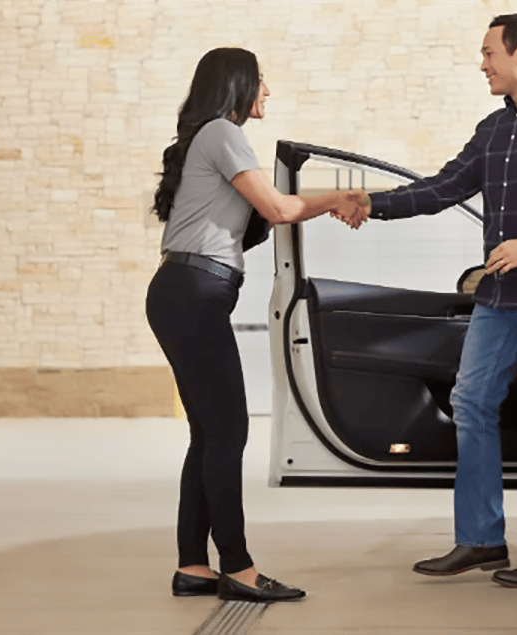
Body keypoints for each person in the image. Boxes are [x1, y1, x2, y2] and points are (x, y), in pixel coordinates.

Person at [343, 14, 517, 588]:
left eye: (489, 52)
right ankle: (480, 540)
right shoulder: (493, 129)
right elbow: (443, 187)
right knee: (470, 403)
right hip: (498, 296)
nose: (482, 64)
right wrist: (373, 203)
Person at [147, 47, 364, 602]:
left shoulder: (209, 137)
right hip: (194, 292)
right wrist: (339, 199)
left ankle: (194, 566)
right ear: (236, 85)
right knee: (228, 432)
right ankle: (238, 569)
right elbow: (279, 209)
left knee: (209, 433)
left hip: (183, 291)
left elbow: (257, 215)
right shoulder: (223, 132)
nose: (267, 91)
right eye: (261, 81)